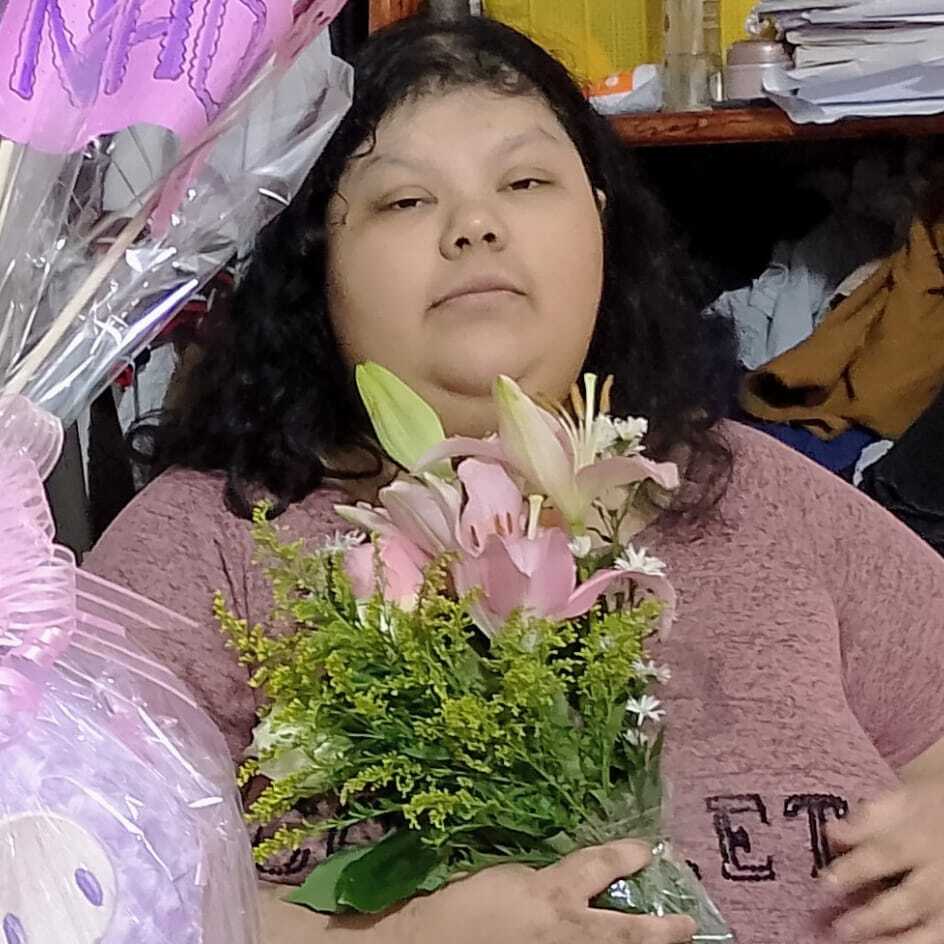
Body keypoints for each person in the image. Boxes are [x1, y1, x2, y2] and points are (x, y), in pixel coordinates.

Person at [84, 15, 944, 944]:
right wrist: (401, 939)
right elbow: (76, 888)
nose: (476, 226)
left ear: (600, 223)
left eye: (526, 182)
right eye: (404, 201)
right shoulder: (211, 545)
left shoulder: (745, 488)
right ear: (318, 263)